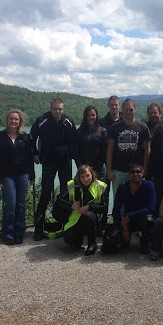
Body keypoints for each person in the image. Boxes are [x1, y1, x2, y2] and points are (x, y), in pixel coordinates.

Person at [30, 98, 77, 241]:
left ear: (63, 110)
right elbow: (31, 138)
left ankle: (65, 225)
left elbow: (75, 140)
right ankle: (38, 228)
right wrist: (35, 153)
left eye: (60, 109)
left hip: (65, 162)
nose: (58, 111)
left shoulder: (68, 122)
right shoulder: (42, 120)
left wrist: (72, 155)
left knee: (66, 194)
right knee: (45, 194)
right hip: (48, 162)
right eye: (55, 109)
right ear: (50, 109)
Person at [0, 109, 35, 245]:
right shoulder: (0, 136)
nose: (13, 121)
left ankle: (19, 232)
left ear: (20, 121)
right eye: (11, 118)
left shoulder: (26, 137)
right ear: (7, 120)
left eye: (16, 119)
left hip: (23, 174)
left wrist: (32, 176)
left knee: (21, 204)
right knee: (10, 204)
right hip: (7, 175)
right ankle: (8, 233)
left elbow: (30, 158)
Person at [53, 165, 107, 256]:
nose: (85, 179)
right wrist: (70, 205)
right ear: (79, 177)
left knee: (88, 215)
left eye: (87, 175)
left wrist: (89, 207)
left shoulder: (100, 186)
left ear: (92, 175)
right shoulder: (72, 185)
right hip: (75, 217)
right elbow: (59, 200)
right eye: (82, 176)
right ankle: (78, 239)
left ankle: (92, 244)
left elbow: (104, 207)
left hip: (92, 216)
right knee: (69, 239)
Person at [106, 98, 150, 197]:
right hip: (118, 171)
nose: (128, 112)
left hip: (137, 171)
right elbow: (110, 150)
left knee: (137, 199)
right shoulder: (115, 128)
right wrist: (109, 170)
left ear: (135, 109)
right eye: (125, 110)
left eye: (130, 109)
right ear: (122, 110)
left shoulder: (143, 127)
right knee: (119, 199)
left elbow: (147, 150)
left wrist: (144, 168)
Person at [76, 106, 108, 235]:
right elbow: (76, 151)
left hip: (99, 169)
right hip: (83, 171)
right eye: (89, 115)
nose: (91, 117)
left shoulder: (103, 131)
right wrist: (81, 168)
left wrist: (97, 167)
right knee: (84, 196)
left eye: (93, 115)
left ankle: (101, 225)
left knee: (101, 198)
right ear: (85, 116)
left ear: (97, 116)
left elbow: (104, 150)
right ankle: (85, 225)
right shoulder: (79, 132)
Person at [112, 164, 156, 254]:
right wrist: (122, 228)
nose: (135, 174)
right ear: (128, 174)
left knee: (149, 220)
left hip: (142, 219)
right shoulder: (122, 187)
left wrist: (129, 215)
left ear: (143, 173)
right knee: (109, 245)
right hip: (128, 221)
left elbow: (151, 208)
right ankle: (125, 239)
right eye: (132, 172)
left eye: (138, 172)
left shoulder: (149, 185)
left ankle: (145, 243)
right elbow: (116, 210)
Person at [99, 95, 123, 235]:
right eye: (112, 105)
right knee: (104, 195)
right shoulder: (102, 122)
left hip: (121, 164)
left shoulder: (125, 121)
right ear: (108, 106)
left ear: (119, 106)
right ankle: (102, 223)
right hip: (104, 164)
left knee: (120, 196)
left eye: (116, 105)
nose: (114, 107)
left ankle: (119, 222)